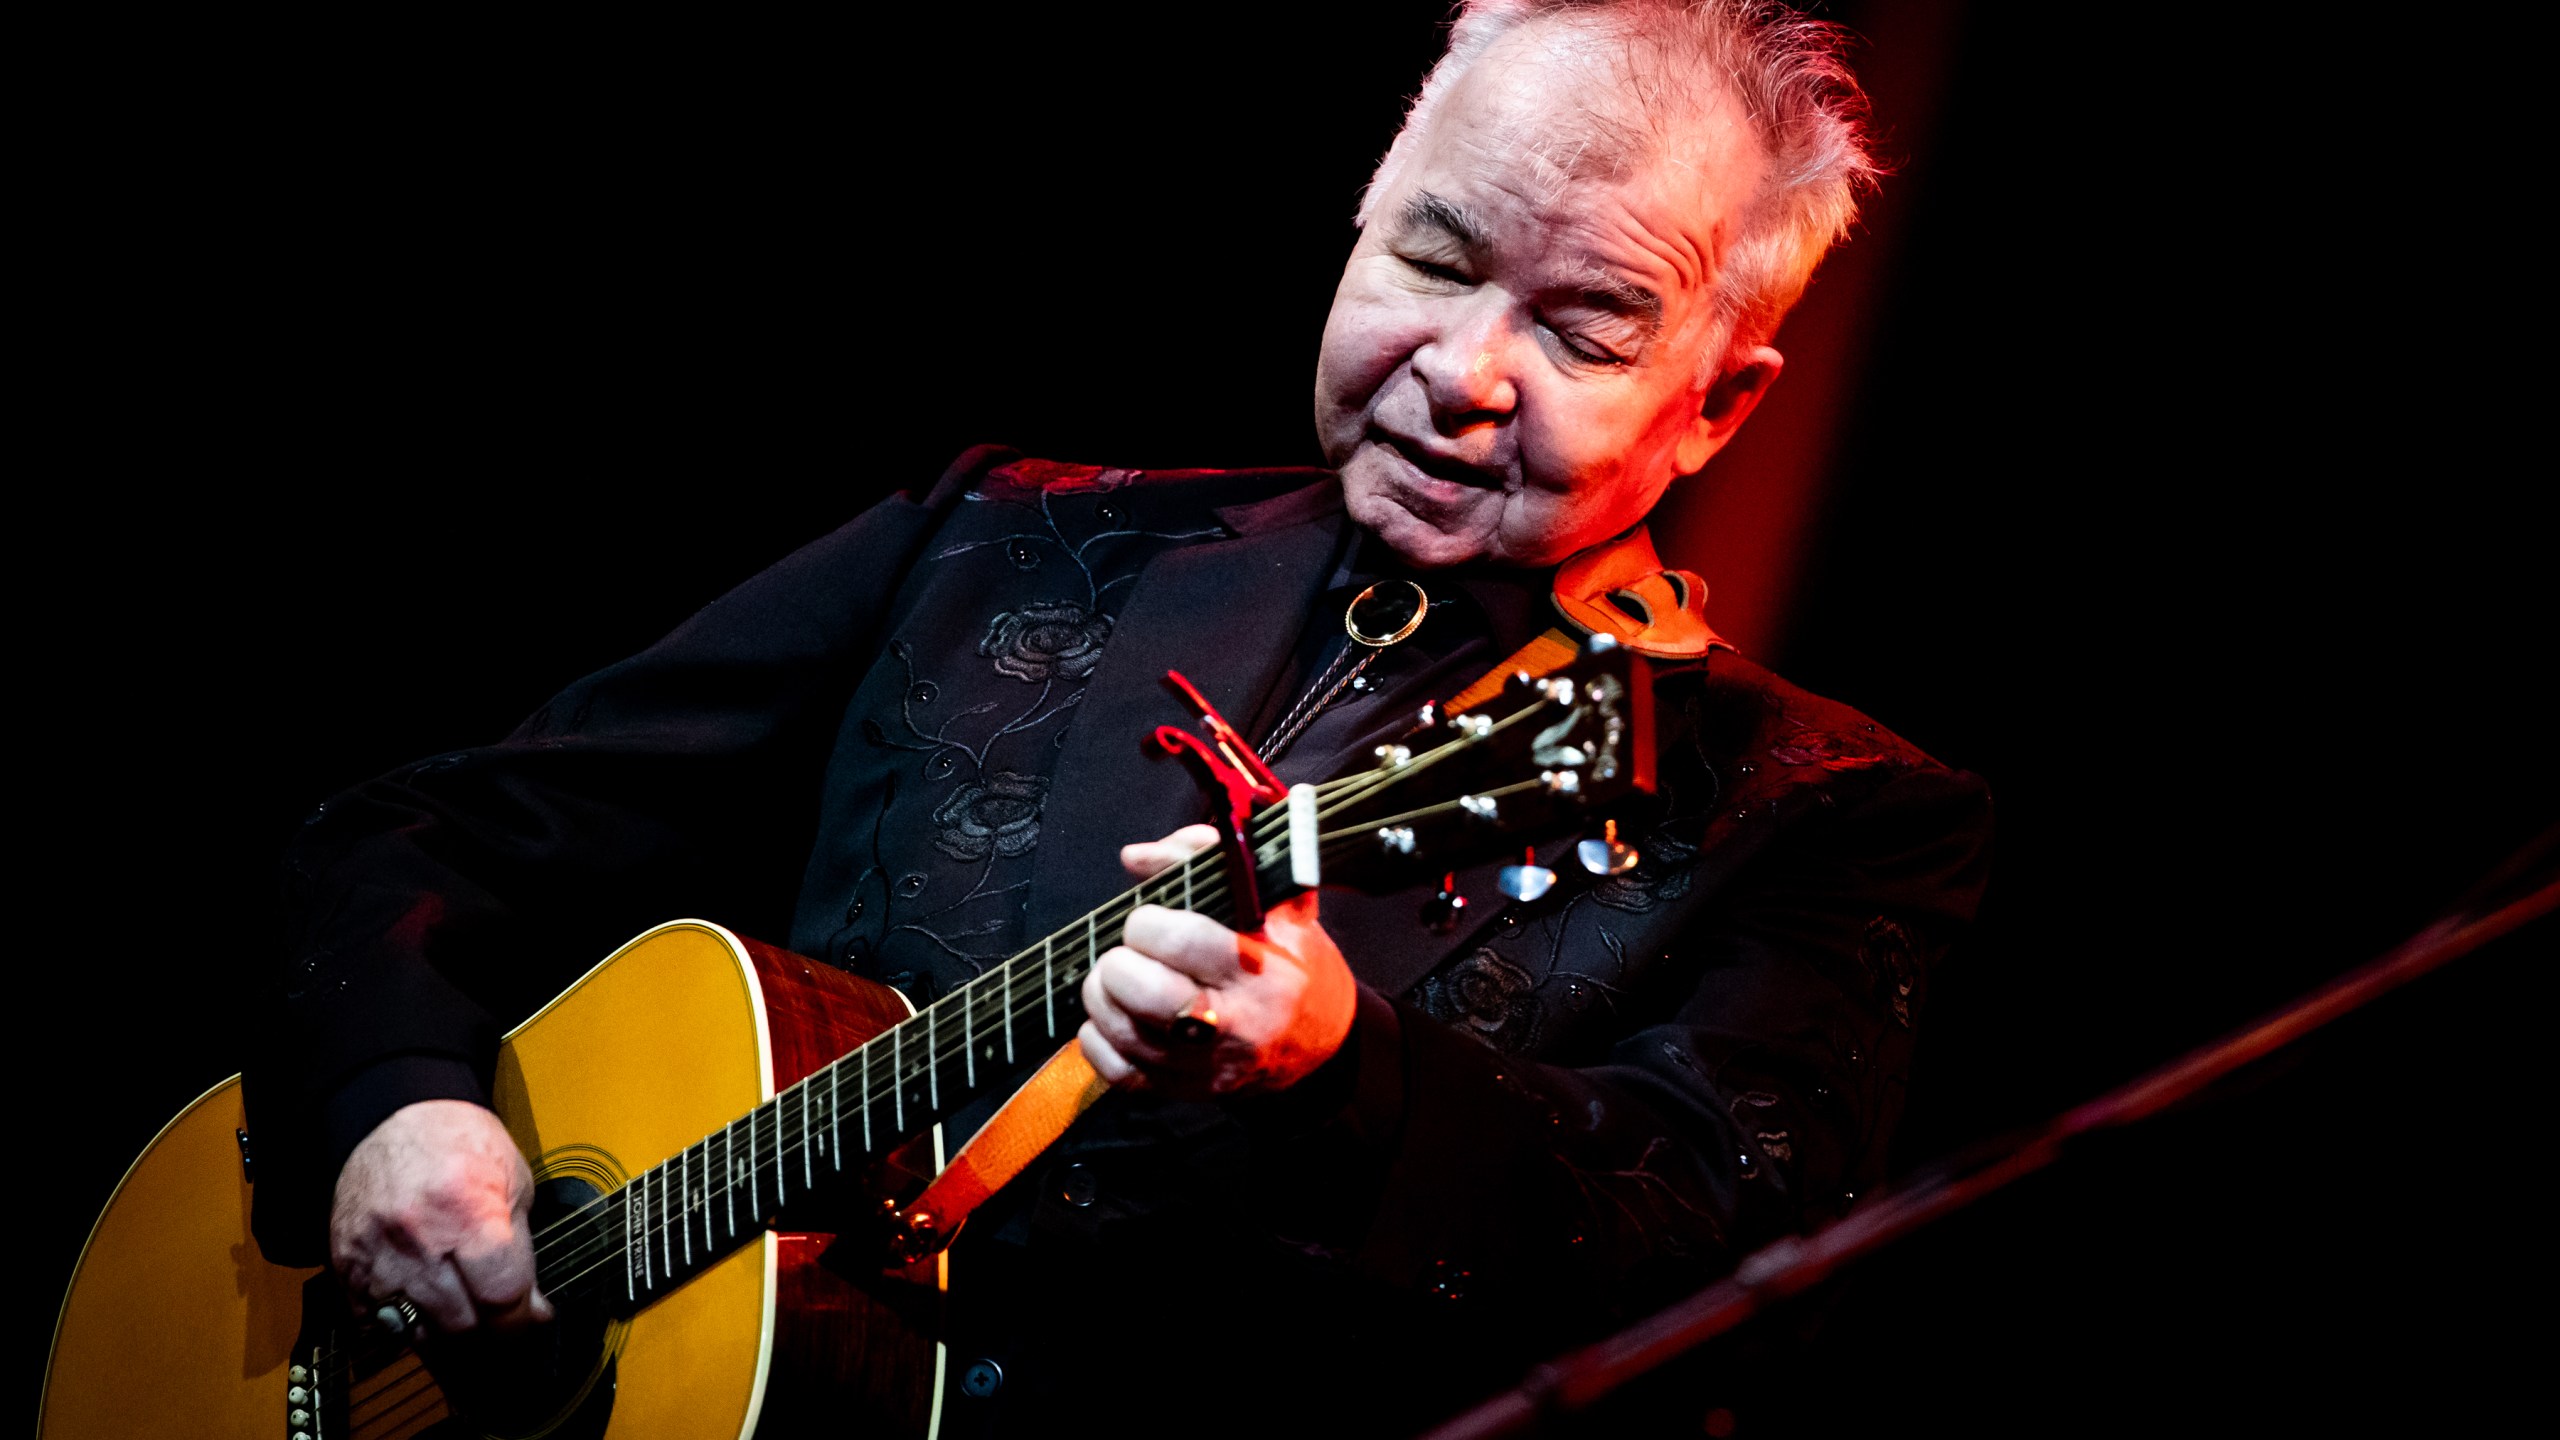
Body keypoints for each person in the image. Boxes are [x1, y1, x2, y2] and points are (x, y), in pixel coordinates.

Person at [247, 1, 1991, 1431]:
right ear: (1363, 218)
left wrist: (1346, 1078)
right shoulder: (1003, 535)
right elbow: (423, 834)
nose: (1465, 370)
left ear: (1718, 403)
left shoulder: (1822, 811)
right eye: (1434, 257)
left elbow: (1711, 1295)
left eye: (1586, 327)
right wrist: (396, 1100)